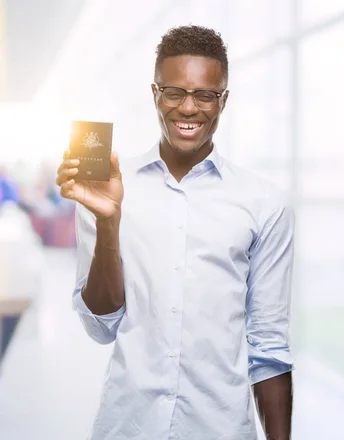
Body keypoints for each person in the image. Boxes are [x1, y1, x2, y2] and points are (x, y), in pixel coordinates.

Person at [55, 25, 294, 440]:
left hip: (220, 429)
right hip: (127, 426)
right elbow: (100, 327)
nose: (188, 108)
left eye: (205, 95)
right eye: (174, 93)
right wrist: (109, 222)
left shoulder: (264, 203)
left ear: (223, 101)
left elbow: (269, 347)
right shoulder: (106, 188)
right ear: (154, 94)